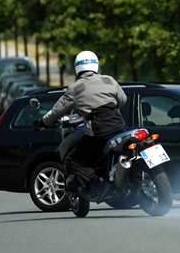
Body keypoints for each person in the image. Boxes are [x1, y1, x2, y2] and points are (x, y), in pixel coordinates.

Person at [34, 50, 127, 197]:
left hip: (98, 133)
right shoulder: (109, 80)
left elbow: (57, 111)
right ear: (96, 65)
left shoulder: (75, 88)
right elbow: (122, 100)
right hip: (119, 127)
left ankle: (97, 183)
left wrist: (42, 122)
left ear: (77, 68)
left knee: (72, 158)